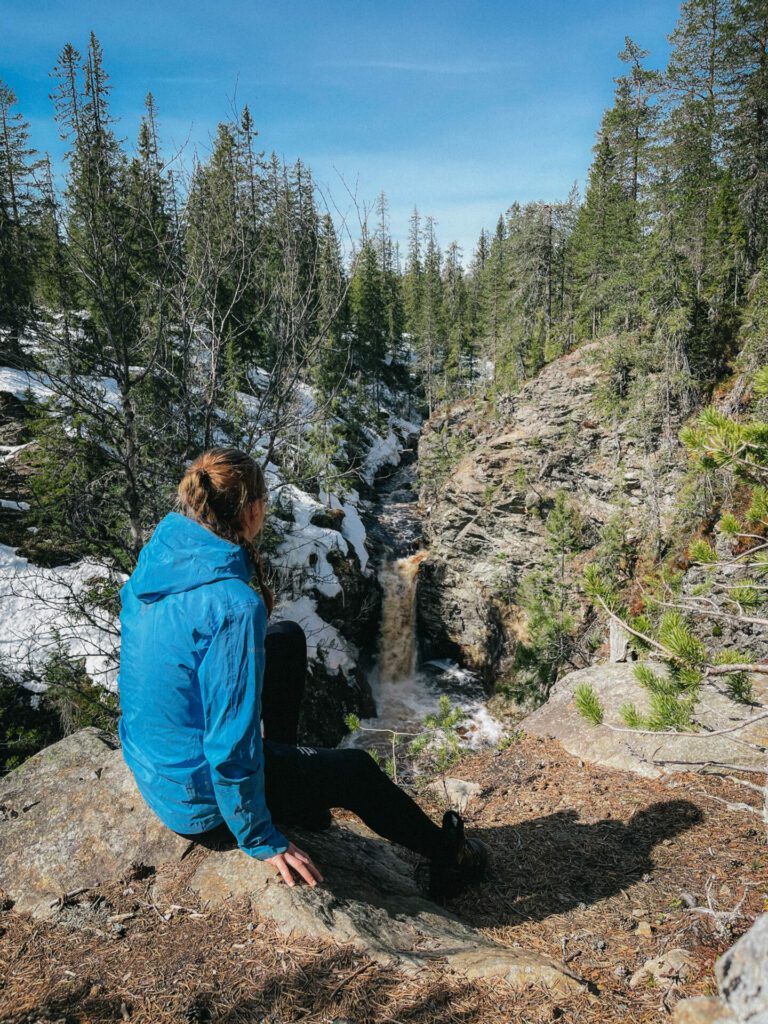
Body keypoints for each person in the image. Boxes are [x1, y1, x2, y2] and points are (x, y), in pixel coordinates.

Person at [117, 447, 488, 900]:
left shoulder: (159, 562)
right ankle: (450, 857)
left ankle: (296, 790)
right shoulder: (232, 604)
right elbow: (227, 744)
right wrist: (259, 836)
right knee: (356, 769)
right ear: (253, 510)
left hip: (157, 762)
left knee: (286, 638)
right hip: (200, 795)